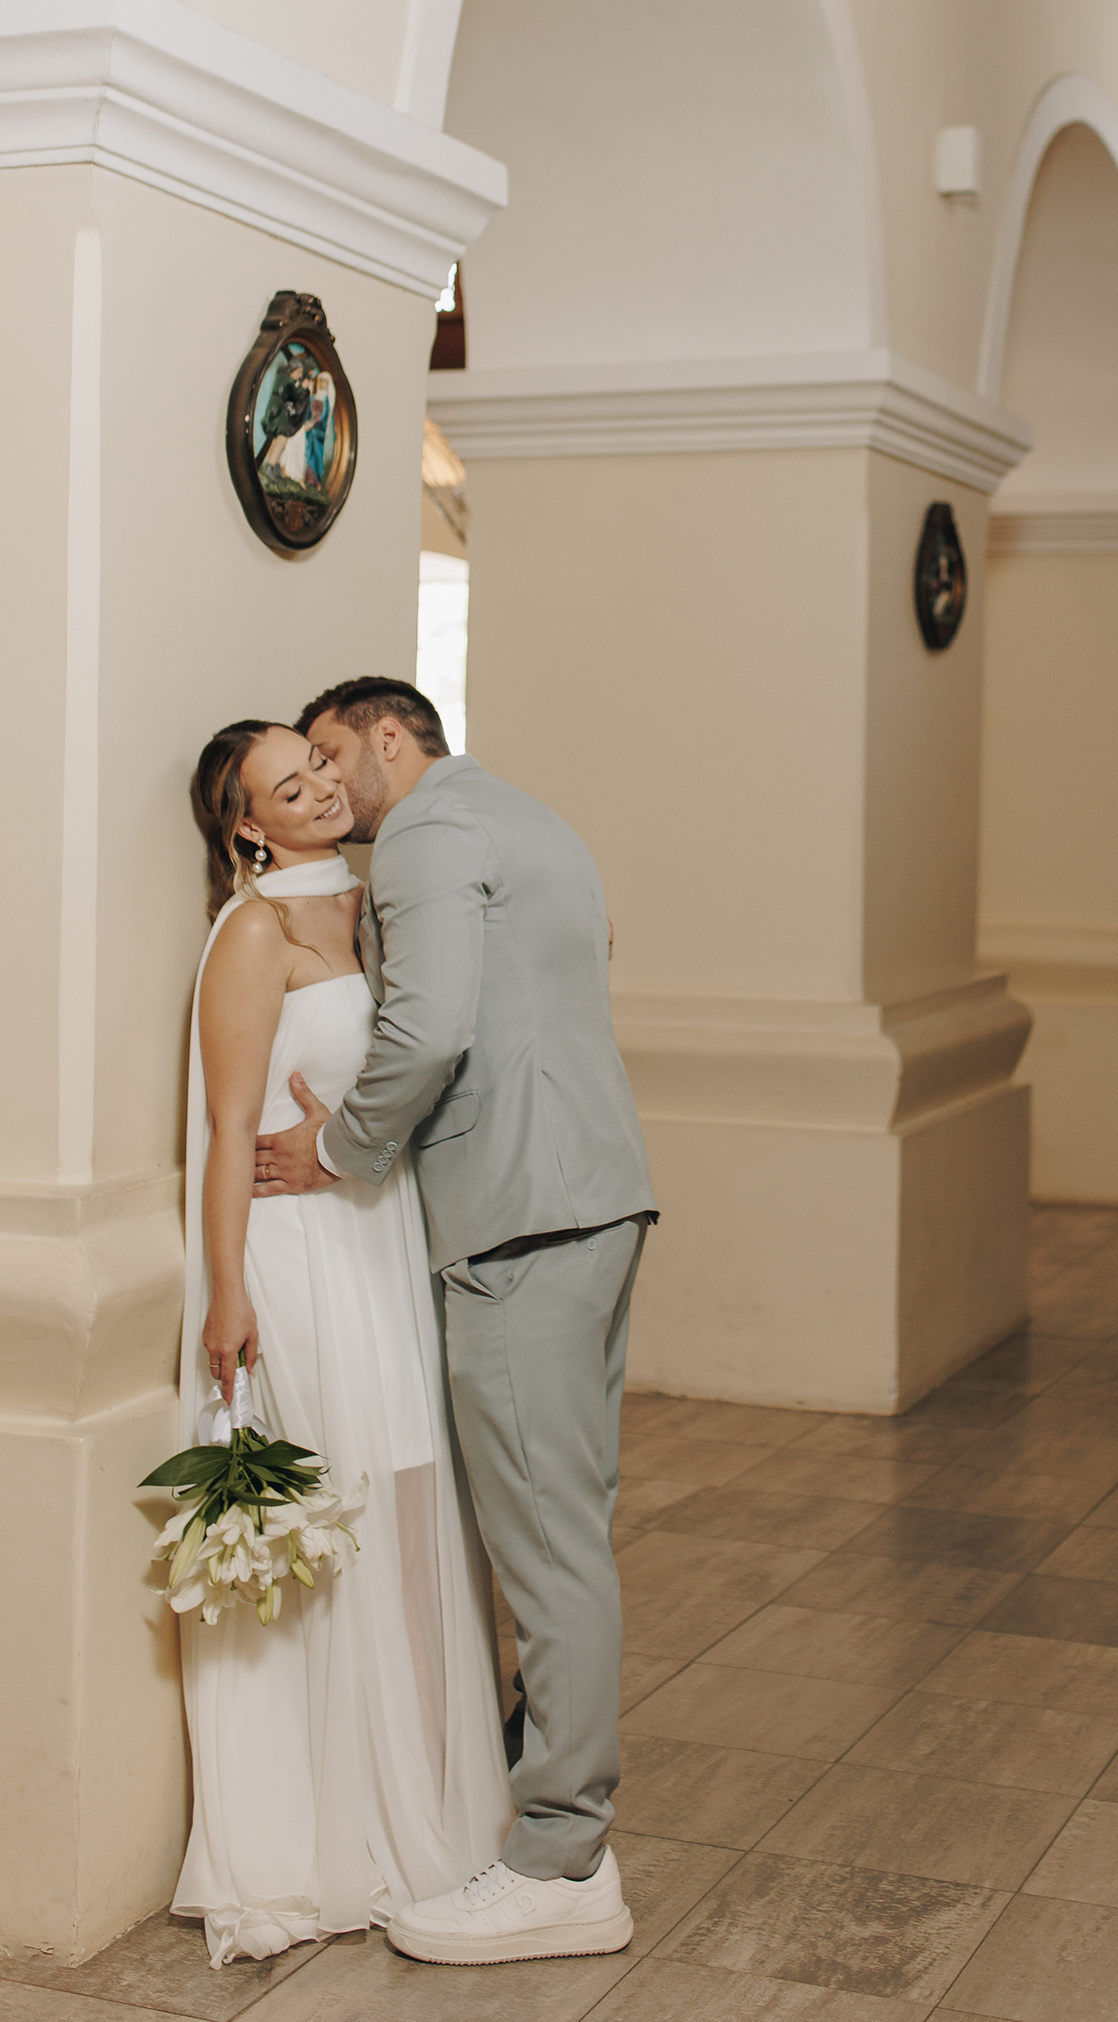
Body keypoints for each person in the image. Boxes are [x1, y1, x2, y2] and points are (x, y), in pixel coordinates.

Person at [254, 677, 656, 1970]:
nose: (328, 783)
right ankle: (543, 1814)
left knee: (546, 1548)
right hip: (595, 1200)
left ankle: (560, 1863)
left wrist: (339, 1151)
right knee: (567, 1531)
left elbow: (428, 1032)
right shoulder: (535, 820)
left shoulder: (427, 833)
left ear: (390, 736)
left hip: (520, 1218)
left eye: (333, 754)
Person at [172, 720, 511, 1968]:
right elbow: (227, 1128)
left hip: (378, 1233)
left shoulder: (374, 903)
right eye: (286, 782)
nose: (318, 783)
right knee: (346, 1509)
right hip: (297, 1259)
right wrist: (225, 1295)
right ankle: (332, 1827)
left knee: (415, 1500)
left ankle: (430, 1800)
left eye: (316, 764)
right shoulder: (252, 934)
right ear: (247, 826)